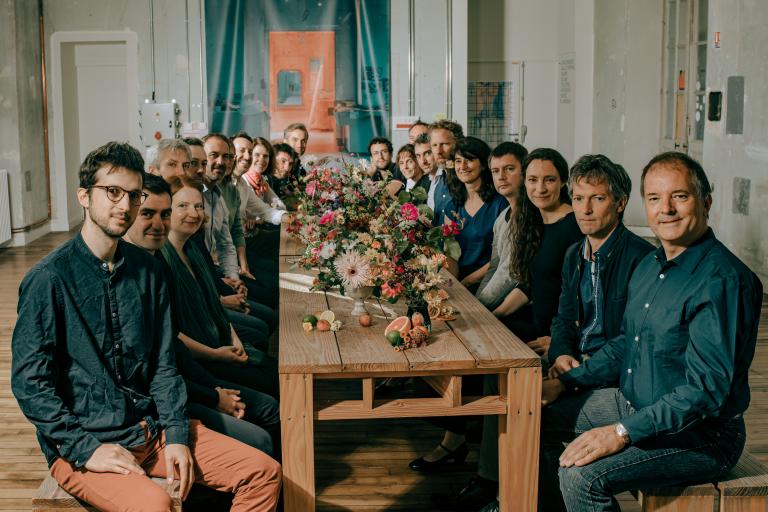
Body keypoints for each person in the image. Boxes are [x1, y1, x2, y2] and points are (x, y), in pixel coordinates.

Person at [11, 141, 281, 512]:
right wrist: (85, 449)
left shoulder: (148, 270)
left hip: (150, 429)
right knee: (156, 504)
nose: (125, 205)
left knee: (263, 472)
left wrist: (175, 434)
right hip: (86, 441)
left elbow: (163, 363)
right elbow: (31, 384)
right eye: (112, 192)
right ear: (84, 197)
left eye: (133, 194)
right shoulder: (48, 280)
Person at [537, 151, 763, 512]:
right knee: (534, 418)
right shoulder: (651, 264)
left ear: (705, 202)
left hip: (700, 436)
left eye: (680, 196)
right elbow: (628, 343)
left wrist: (622, 432)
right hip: (634, 402)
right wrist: (568, 381)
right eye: (655, 198)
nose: (666, 209)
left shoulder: (723, 280)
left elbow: (706, 391)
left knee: (582, 477)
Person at [461, 154, 654, 512]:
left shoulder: (642, 258)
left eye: (597, 199)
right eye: (579, 199)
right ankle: (514, 498)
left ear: (621, 202)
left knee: (530, 413)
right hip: (574, 362)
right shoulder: (574, 254)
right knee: (514, 398)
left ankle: (518, 502)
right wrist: (562, 354)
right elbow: (563, 318)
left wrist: (575, 372)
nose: (585, 209)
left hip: (613, 375)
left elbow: (630, 344)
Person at [124, 174, 280, 457]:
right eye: (148, 214)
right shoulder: (142, 272)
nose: (159, 223)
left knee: (270, 370)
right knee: (267, 407)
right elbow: (164, 367)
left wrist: (214, 385)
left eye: (165, 214)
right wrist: (214, 391)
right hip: (157, 405)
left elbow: (176, 349)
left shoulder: (165, 260)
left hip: (187, 376)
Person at [159, 182, 280, 399]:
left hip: (217, 336)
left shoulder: (192, 248)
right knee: (270, 382)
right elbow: (173, 333)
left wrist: (234, 339)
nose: (193, 213)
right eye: (183, 206)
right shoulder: (161, 259)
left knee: (272, 370)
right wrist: (217, 355)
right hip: (200, 356)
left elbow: (213, 304)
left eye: (198, 206)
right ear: (167, 211)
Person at [502, 148, 582, 350]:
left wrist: (560, 340)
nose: (540, 188)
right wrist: (494, 315)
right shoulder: (533, 221)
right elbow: (531, 285)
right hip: (538, 325)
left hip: (556, 335)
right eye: (533, 180)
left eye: (549, 180)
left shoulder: (575, 226)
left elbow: (583, 297)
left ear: (564, 181)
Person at [443, 136, 508, 289]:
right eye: (458, 161)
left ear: (484, 164)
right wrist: (453, 285)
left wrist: (467, 282)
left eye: (469, 160)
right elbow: (451, 253)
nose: (463, 166)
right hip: (459, 281)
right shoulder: (452, 205)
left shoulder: (500, 204)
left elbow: (502, 259)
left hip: (489, 282)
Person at [428, 119, 464, 224]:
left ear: (458, 144)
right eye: (434, 145)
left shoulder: (466, 179)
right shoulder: (438, 180)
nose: (439, 151)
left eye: (444, 144)